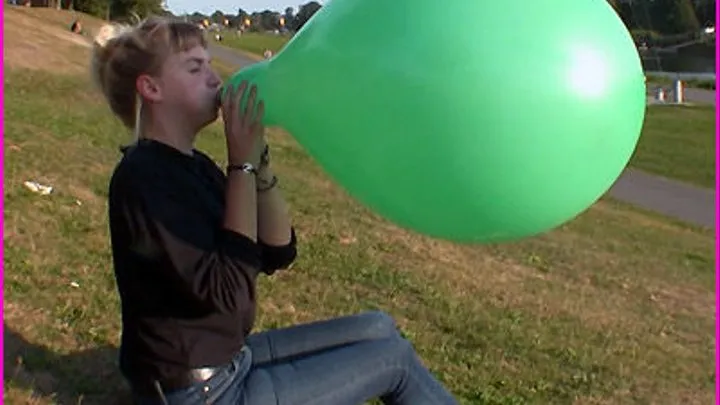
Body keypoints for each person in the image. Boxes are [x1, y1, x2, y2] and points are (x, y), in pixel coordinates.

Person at [91, 16, 458, 405]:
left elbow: (277, 249)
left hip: (231, 362)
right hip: (203, 393)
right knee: (393, 360)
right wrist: (240, 166)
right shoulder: (143, 178)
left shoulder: (193, 166)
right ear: (152, 88)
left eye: (209, 63)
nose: (215, 79)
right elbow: (230, 298)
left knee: (378, 327)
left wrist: (257, 160)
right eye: (195, 67)